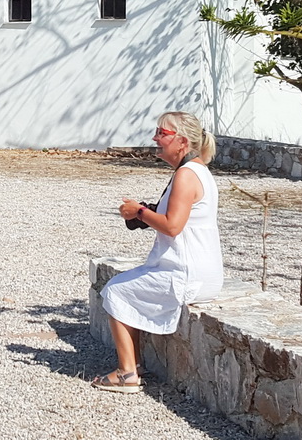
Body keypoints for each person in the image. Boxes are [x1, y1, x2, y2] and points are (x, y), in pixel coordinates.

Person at [93, 110, 223, 394]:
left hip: (185, 275)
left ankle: (127, 374)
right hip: (201, 272)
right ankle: (133, 365)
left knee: (115, 291)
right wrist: (145, 213)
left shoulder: (186, 176)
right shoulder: (197, 171)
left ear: (183, 142)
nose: (155, 137)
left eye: (163, 133)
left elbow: (173, 226)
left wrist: (138, 211)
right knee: (126, 286)